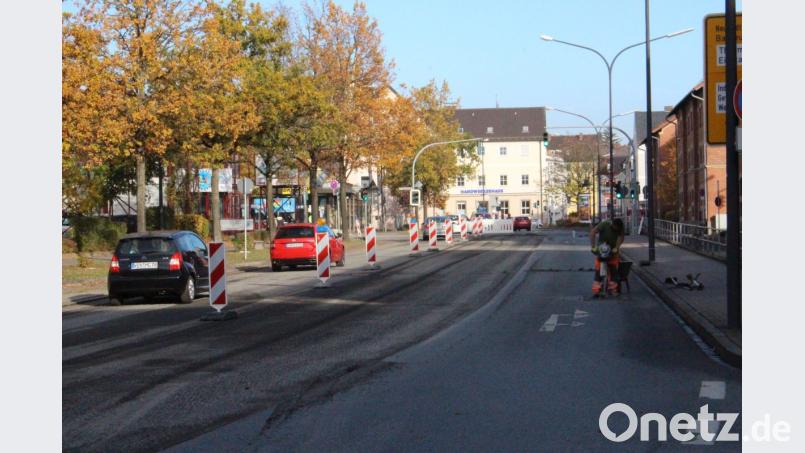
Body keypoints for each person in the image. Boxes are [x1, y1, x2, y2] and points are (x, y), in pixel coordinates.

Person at [589, 218, 625, 296]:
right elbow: (593, 233)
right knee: (598, 269)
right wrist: (593, 247)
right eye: (615, 228)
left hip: (613, 250)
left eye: (617, 229)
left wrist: (617, 247)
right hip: (602, 248)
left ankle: (612, 289)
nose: (616, 230)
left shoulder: (620, 228)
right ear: (612, 224)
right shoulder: (604, 224)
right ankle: (597, 289)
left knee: (613, 269)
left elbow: (621, 238)